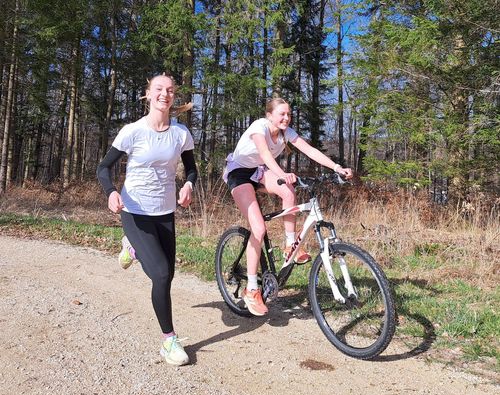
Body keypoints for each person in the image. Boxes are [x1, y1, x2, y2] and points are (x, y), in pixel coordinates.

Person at [97, 74, 197, 366]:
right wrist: (111, 192)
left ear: (173, 96)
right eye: (159, 89)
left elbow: (191, 170)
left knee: (167, 277)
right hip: (134, 210)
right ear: (148, 94)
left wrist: (188, 185)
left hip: (165, 212)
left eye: (169, 90)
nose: (164, 94)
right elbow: (104, 167)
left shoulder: (181, 134)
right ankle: (169, 341)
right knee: (162, 274)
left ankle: (132, 248)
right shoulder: (133, 131)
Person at [223, 98, 353, 316]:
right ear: (269, 115)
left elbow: (309, 150)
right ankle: (252, 288)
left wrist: (336, 167)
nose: (286, 118)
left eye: (289, 115)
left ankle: (290, 244)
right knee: (258, 229)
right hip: (239, 173)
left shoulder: (286, 132)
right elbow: (264, 154)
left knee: (288, 191)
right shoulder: (259, 127)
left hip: (258, 171)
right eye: (281, 114)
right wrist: (282, 174)